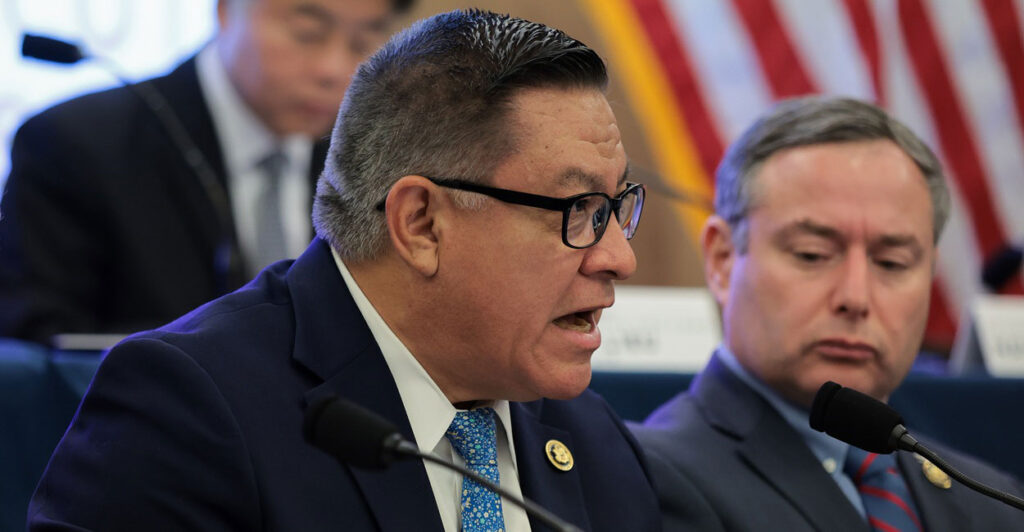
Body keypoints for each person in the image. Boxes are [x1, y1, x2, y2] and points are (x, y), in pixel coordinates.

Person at [28, 9, 661, 531]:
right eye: (578, 210)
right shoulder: (190, 412)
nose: (618, 258)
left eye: (614, 208)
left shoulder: (590, 439)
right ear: (420, 224)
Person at [631, 96, 1024, 531]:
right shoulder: (645, 478)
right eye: (812, 254)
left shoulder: (994, 501)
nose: (855, 297)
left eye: (892, 263)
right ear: (723, 260)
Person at [0, 0, 413, 346]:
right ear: (224, 10)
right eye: (307, 32)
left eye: (364, 40)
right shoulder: (77, 143)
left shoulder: (381, 162)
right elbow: (39, 352)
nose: (334, 69)